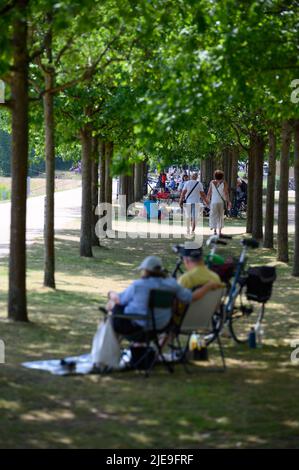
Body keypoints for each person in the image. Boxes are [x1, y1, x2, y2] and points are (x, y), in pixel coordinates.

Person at [107, 256, 222, 337]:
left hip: (140, 326)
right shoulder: (172, 284)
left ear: (145, 271)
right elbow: (190, 298)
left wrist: (110, 293)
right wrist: (208, 286)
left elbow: (119, 300)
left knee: (114, 306)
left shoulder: (138, 285)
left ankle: (108, 354)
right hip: (163, 325)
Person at [207, 170, 231, 236]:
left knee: (213, 215)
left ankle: (214, 229)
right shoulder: (224, 183)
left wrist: (207, 201)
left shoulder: (212, 182)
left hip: (213, 201)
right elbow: (226, 193)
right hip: (221, 202)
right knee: (220, 216)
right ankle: (220, 231)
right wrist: (228, 201)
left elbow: (209, 193)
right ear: (222, 176)